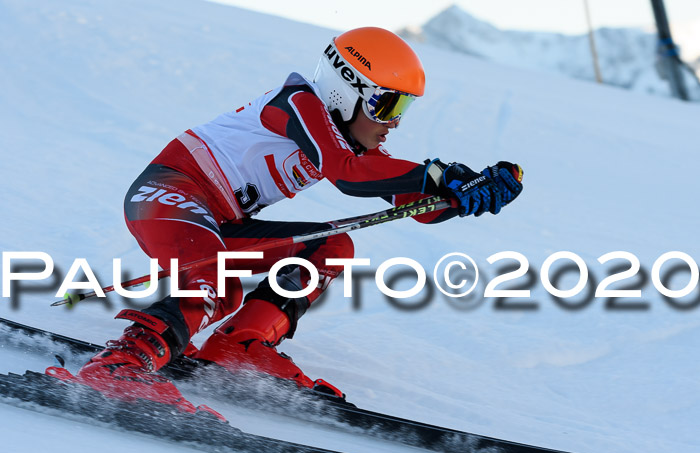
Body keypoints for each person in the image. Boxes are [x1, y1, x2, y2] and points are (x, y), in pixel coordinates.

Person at [48, 27, 523, 411]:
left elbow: (410, 204)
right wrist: (440, 177)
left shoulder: (347, 139)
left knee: (333, 246)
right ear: (347, 89)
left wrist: (468, 194)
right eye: (388, 105)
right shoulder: (299, 104)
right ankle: (120, 365)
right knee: (220, 279)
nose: (393, 122)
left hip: (218, 221)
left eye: (405, 109)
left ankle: (240, 344)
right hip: (169, 194)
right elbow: (349, 175)